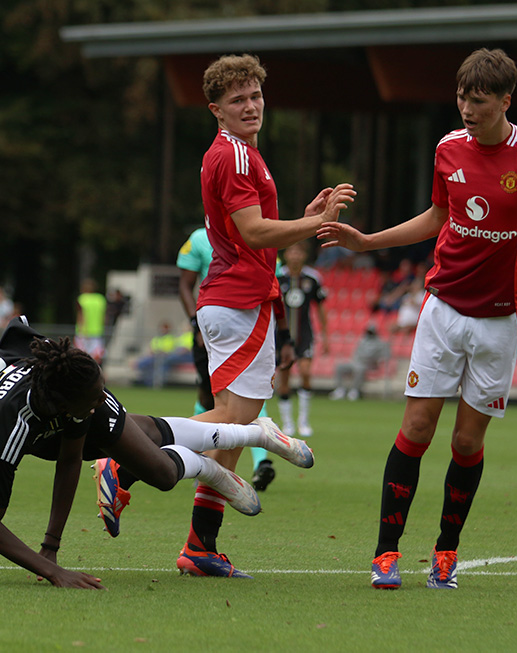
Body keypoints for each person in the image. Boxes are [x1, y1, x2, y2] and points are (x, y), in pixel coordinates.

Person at [317, 48, 517, 590]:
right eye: (463, 97)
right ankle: (386, 554)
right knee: (416, 428)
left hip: (500, 320)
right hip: (442, 308)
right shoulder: (447, 149)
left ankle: (445, 553)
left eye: (479, 100)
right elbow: (439, 216)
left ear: (505, 101)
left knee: (466, 443)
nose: (467, 108)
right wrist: (368, 242)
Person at [163, 54, 354, 578]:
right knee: (237, 422)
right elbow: (254, 231)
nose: (251, 107)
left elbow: (254, 228)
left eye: (255, 97)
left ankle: (200, 547)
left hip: (237, 299)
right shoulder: (238, 157)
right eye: (238, 100)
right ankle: (128, 456)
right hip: (239, 300)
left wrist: (302, 218)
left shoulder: (233, 154)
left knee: (230, 431)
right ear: (216, 110)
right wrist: (309, 222)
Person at [0, 316, 313, 588]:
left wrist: (52, 544)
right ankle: (214, 469)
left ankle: (256, 435)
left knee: (161, 471)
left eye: (101, 392)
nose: (101, 403)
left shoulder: (76, 386)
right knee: (150, 450)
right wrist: (52, 569)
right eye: (93, 400)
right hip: (40, 428)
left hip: (63, 398)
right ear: (64, 406)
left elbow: (72, 459)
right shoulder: (8, 425)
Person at [177, 226, 277, 491]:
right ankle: (145, 450)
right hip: (218, 321)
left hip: (245, 319)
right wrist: (194, 323)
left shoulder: (259, 233)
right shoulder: (200, 238)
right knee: (221, 402)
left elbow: (272, 282)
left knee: (243, 400)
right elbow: (185, 285)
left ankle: (256, 463)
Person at [275, 241, 330, 438]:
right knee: (284, 378)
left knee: (306, 373)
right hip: (282, 335)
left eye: (299, 251)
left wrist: (325, 335)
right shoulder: (278, 277)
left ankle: (304, 421)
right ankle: (287, 423)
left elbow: (321, 307)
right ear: (286, 254)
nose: (296, 255)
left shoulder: (312, 278)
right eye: (292, 251)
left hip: (305, 334)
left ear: (304, 255)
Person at [328, 323, 392, 400]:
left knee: (359, 369)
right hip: (356, 362)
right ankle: (340, 390)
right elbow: (355, 353)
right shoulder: (362, 341)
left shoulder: (380, 343)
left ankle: (354, 391)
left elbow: (385, 356)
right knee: (340, 367)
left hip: (368, 365)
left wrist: (377, 361)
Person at [134, 322, 193, 387]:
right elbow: (151, 349)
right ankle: (147, 379)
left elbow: (183, 349)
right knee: (148, 362)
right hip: (157, 356)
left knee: (163, 362)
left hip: (178, 356)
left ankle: (151, 382)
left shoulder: (172, 338)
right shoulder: (157, 338)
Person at [74, 279, 106, 365]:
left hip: (84, 332)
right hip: (97, 331)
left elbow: (81, 316)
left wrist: (81, 331)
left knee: (81, 356)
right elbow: (103, 317)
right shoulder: (100, 299)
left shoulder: (82, 299)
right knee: (96, 357)